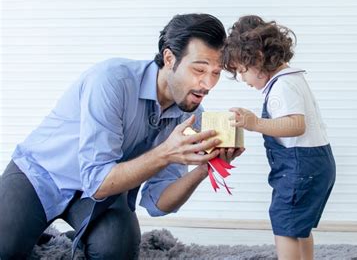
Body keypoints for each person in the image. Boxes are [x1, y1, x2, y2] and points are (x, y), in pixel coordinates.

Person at [0, 13, 244, 259]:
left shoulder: (188, 115)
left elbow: (158, 202)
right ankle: (36, 232)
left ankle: (75, 237)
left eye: (216, 72)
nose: (208, 83)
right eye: (199, 69)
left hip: (103, 194)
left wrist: (206, 168)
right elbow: (96, 179)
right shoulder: (111, 81)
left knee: (116, 251)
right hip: (41, 175)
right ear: (170, 58)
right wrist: (167, 152)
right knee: (5, 250)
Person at [222, 15, 336, 260]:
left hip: (300, 167)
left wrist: (255, 123)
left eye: (242, 71)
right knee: (299, 226)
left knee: (284, 223)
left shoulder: (282, 86)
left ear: (259, 59)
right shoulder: (293, 79)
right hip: (316, 163)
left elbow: (296, 125)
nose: (242, 79)